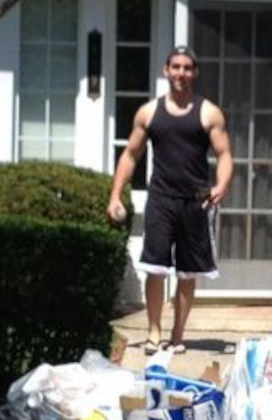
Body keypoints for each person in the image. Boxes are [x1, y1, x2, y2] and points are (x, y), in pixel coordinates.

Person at [107, 45, 233, 355]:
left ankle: (177, 334)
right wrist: (115, 194)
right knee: (155, 267)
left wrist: (222, 184)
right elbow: (131, 154)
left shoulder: (208, 112)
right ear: (166, 71)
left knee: (188, 272)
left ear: (195, 73)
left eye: (187, 67)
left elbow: (224, 154)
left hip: (195, 201)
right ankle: (153, 331)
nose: (181, 73)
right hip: (161, 198)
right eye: (175, 67)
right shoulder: (149, 113)